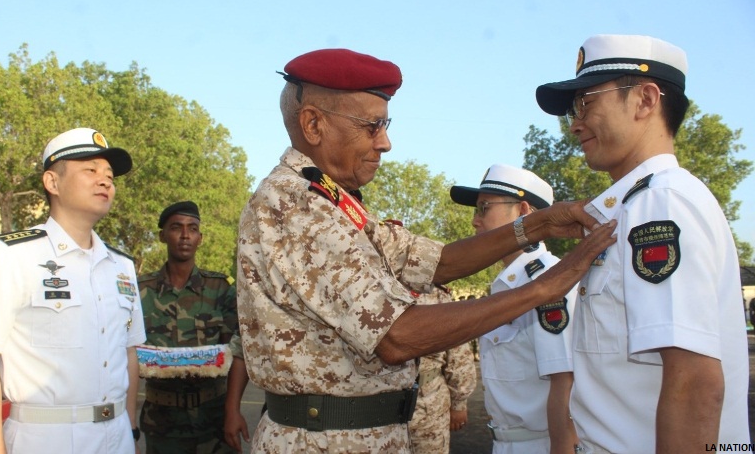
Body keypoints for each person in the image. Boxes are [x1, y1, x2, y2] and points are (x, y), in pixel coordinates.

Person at [236, 48, 616, 453]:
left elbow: (440, 262)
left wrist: (540, 223)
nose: (385, 143)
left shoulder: (333, 201)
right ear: (313, 124)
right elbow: (398, 335)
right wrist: (544, 288)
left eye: (386, 125)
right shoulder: (296, 205)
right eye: (372, 126)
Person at [536, 34, 750, 452]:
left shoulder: (659, 202)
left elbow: (693, 382)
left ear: (645, 100)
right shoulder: (636, 205)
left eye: (586, 103)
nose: (575, 124)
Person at [0, 127, 144, 453]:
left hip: (116, 437)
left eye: (110, 175)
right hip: (46, 436)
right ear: (52, 182)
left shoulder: (122, 267)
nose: (105, 181)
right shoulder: (12, 254)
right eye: (90, 170)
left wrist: (129, 426)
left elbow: (128, 353)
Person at [450, 164, 578, 453]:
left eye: (484, 208)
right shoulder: (510, 283)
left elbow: (565, 383)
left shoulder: (548, 283)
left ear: (523, 211)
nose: (474, 221)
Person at [137, 201, 250, 453]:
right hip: (161, 424)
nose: (185, 235)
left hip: (215, 421)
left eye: (193, 228)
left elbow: (241, 348)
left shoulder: (220, 289)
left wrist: (233, 411)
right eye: (176, 227)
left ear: (200, 238)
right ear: (162, 236)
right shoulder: (140, 291)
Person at [407, 285, 476, 454]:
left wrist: (459, 402)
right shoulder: (368, 283)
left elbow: (457, 353)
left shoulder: (435, 294)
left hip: (428, 402)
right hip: (376, 405)